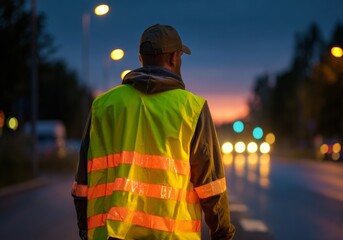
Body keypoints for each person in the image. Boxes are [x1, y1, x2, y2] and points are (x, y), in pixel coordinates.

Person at [71, 24, 235, 240]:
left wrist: (85, 230)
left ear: (141, 58)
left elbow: (82, 185)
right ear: (174, 58)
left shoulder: (103, 106)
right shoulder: (192, 109)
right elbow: (211, 186)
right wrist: (222, 234)